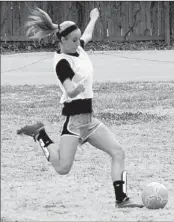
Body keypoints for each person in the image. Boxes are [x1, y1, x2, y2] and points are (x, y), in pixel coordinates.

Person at [17, 6, 144, 208]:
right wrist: (74, 91)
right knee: (62, 168)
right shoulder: (62, 62)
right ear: (62, 40)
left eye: (78, 40)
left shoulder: (77, 48)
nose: (79, 43)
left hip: (89, 120)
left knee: (118, 152)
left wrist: (94, 18)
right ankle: (40, 135)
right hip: (75, 121)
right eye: (74, 40)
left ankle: (122, 199)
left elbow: (87, 35)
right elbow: (69, 89)